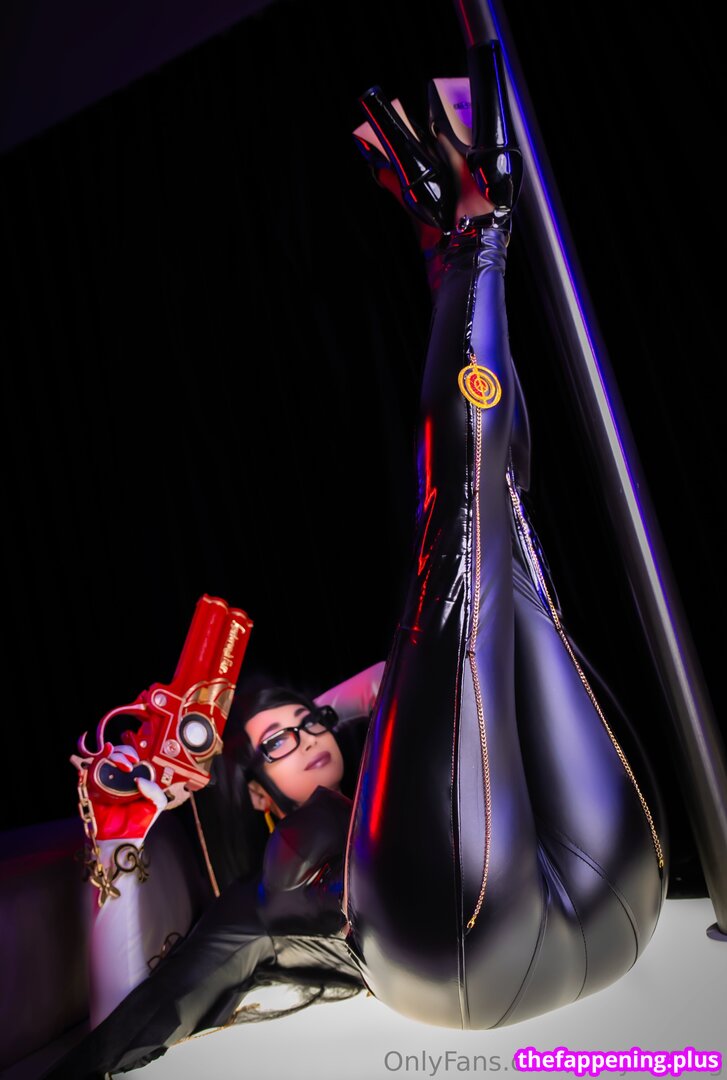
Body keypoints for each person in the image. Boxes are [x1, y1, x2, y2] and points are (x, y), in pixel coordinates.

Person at [44, 38, 668, 1077]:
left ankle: (455, 238)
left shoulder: (403, 755)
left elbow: (383, 687)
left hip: (607, 896)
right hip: (458, 952)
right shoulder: (269, 894)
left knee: (498, 523)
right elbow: (147, 1008)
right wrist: (123, 829)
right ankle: (467, 236)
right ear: (255, 794)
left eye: (306, 722)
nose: (306, 734)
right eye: (278, 745)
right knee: (468, 533)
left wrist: (309, 716)